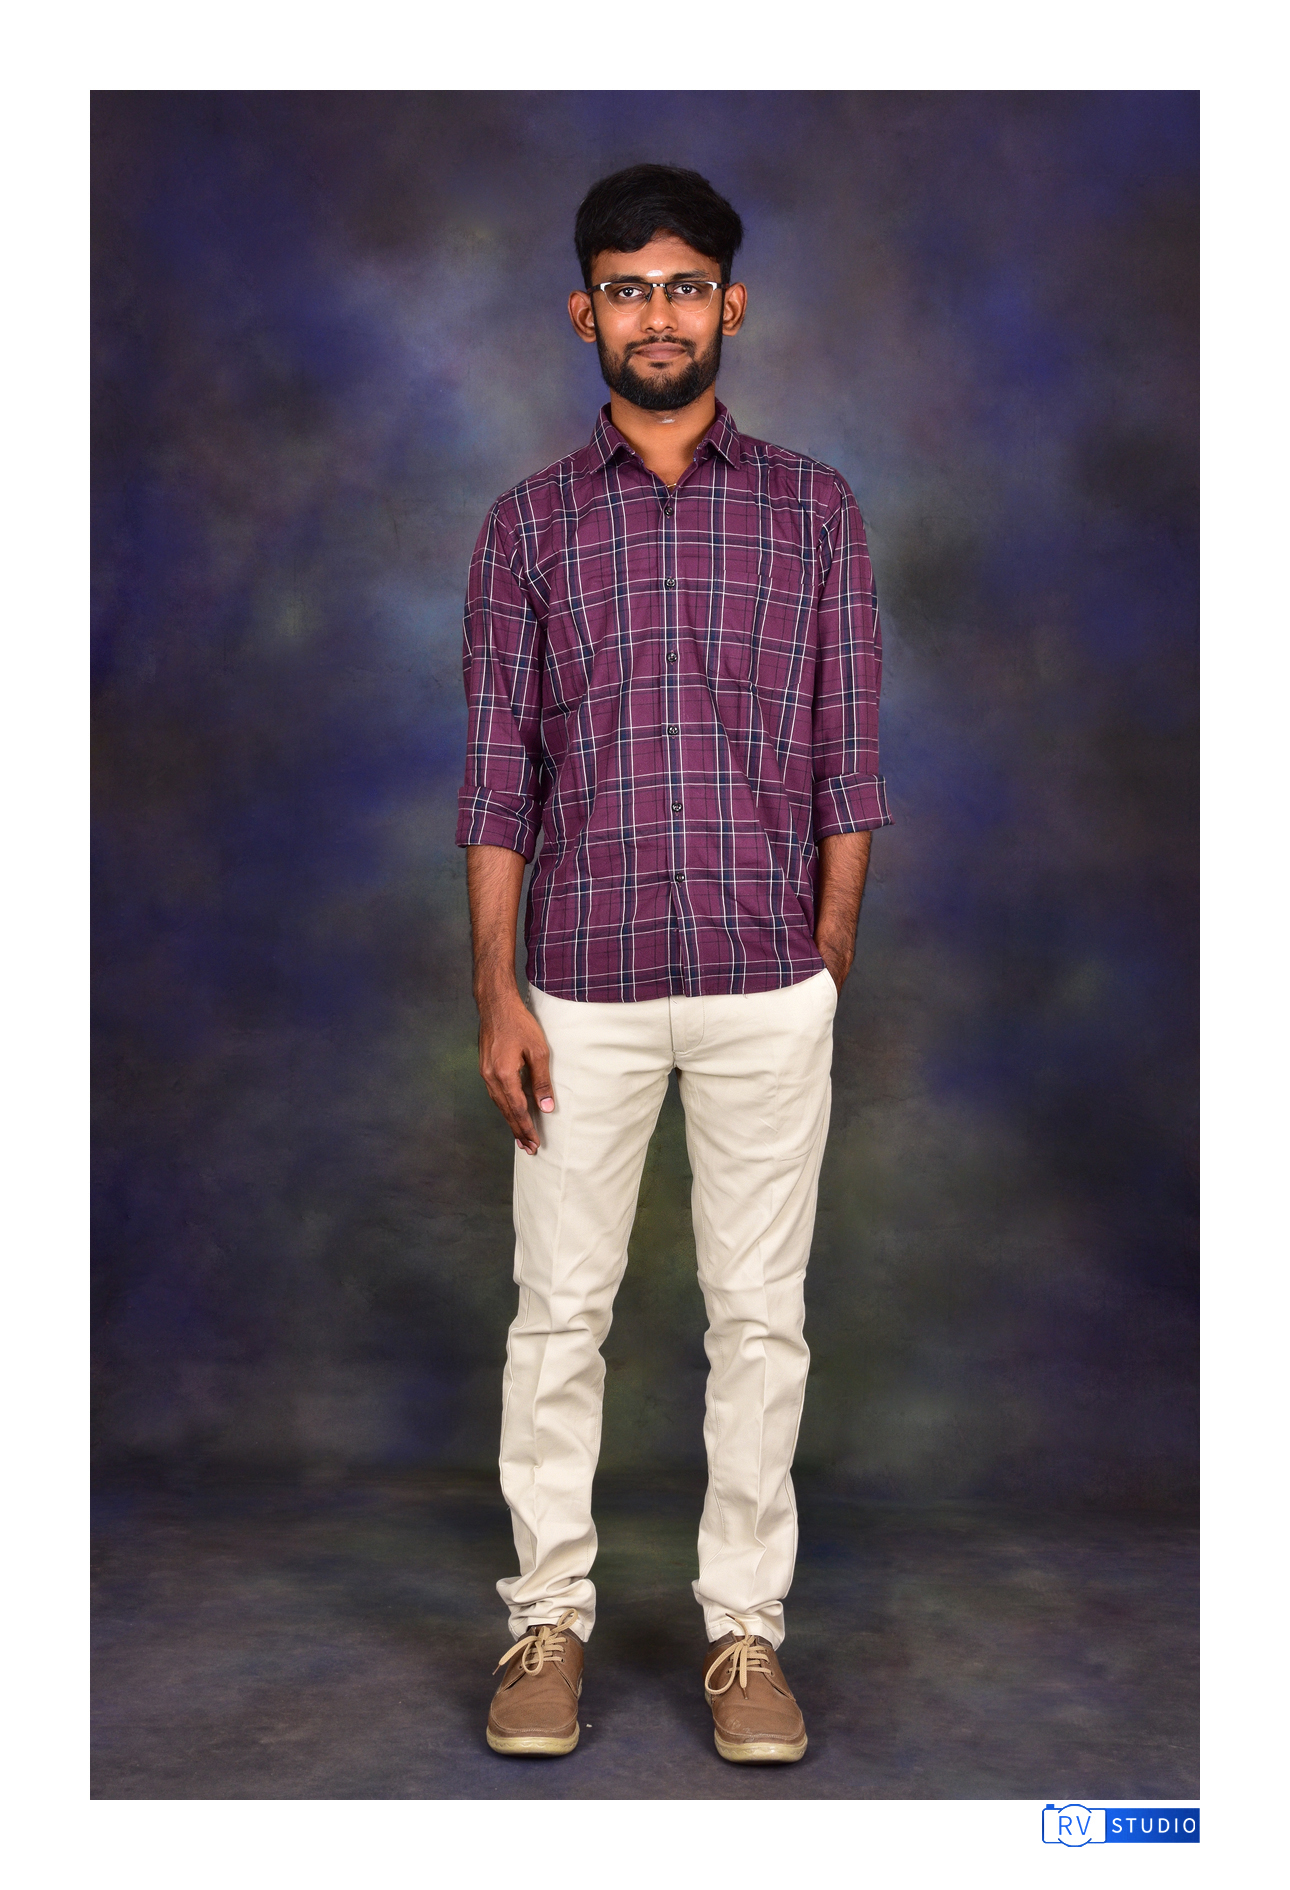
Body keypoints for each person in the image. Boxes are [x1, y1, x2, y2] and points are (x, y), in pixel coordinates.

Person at [456, 163, 890, 1764]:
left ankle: (744, 1634)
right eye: (628, 289)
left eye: (684, 286)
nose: (658, 314)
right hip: (577, 984)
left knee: (758, 1319)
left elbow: (850, 753)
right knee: (557, 1317)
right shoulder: (526, 527)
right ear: (585, 312)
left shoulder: (814, 510)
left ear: (731, 305)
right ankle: (545, 1621)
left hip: (767, 982)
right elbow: (496, 778)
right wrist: (495, 988)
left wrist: (826, 949)